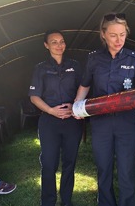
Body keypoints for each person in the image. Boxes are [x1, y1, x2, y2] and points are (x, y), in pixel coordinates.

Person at [74, 13, 135, 206]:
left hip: (126, 121)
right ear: (103, 34)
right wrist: (77, 106)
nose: (119, 40)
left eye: (122, 34)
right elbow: (85, 84)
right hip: (101, 122)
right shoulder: (93, 59)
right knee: (103, 166)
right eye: (113, 35)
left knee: (126, 168)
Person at [29, 29, 83, 206]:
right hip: (49, 122)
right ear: (46, 45)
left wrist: (75, 105)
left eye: (62, 41)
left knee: (69, 162)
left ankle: (66, 200)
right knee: (49, 163)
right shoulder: (40, 68)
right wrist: (51, 111)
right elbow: (34, 96)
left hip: (71, 121)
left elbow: (84, 89)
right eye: (54, 42)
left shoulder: (75, 66)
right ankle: (48, 201)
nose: (59, 45)